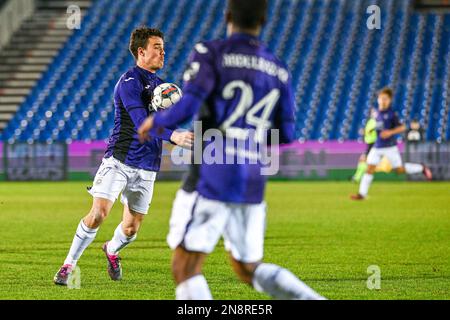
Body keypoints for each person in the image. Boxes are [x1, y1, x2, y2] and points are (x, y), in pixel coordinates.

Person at [138, 0, 323, 300]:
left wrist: (156, 121)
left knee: (185, 267)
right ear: (263, 19)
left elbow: (190, 102)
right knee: (247, 268)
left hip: (211, 172)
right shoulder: (277, 68)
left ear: (227, 16)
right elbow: (286, 133)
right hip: (251, 176)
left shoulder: (211, 53)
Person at [53, 27, 193, 285]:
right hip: (119, 160)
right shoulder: (129, 82)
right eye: (157, 47)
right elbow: (141, 122)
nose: (163, 51)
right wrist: (174, 137)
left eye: (163, 47)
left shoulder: (164, 88)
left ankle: (112, 249)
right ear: (141, 51)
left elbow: (172, 119)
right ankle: (68, 265)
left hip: (148, 165)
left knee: (130, 230)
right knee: (99, 213)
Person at [351, 87, 432, 200]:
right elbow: (378, 127)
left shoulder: (391, 114)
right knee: (369, 168)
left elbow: (403, 127)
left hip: (389, 147)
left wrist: (390, 132)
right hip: (377, 146)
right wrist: (370, 130)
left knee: (399, 170)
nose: (383, 101)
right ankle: (362, 194)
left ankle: (421, 168)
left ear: (389, 100)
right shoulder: (377, 113)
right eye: (381, 98)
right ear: (378, 99)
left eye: (385, 99)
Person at [352, 108, 377, 182]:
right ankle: (358, 177)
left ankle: (358, 177)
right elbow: (368, 131)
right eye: (373, 112)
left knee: (364, 160)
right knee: (364, 160)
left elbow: (373, 130)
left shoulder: (377, 121)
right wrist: (364, 132)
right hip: (369, 143)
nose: (374, 113)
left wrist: (367, 131)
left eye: (375, 112)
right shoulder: (370, 121)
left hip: (373, 143)